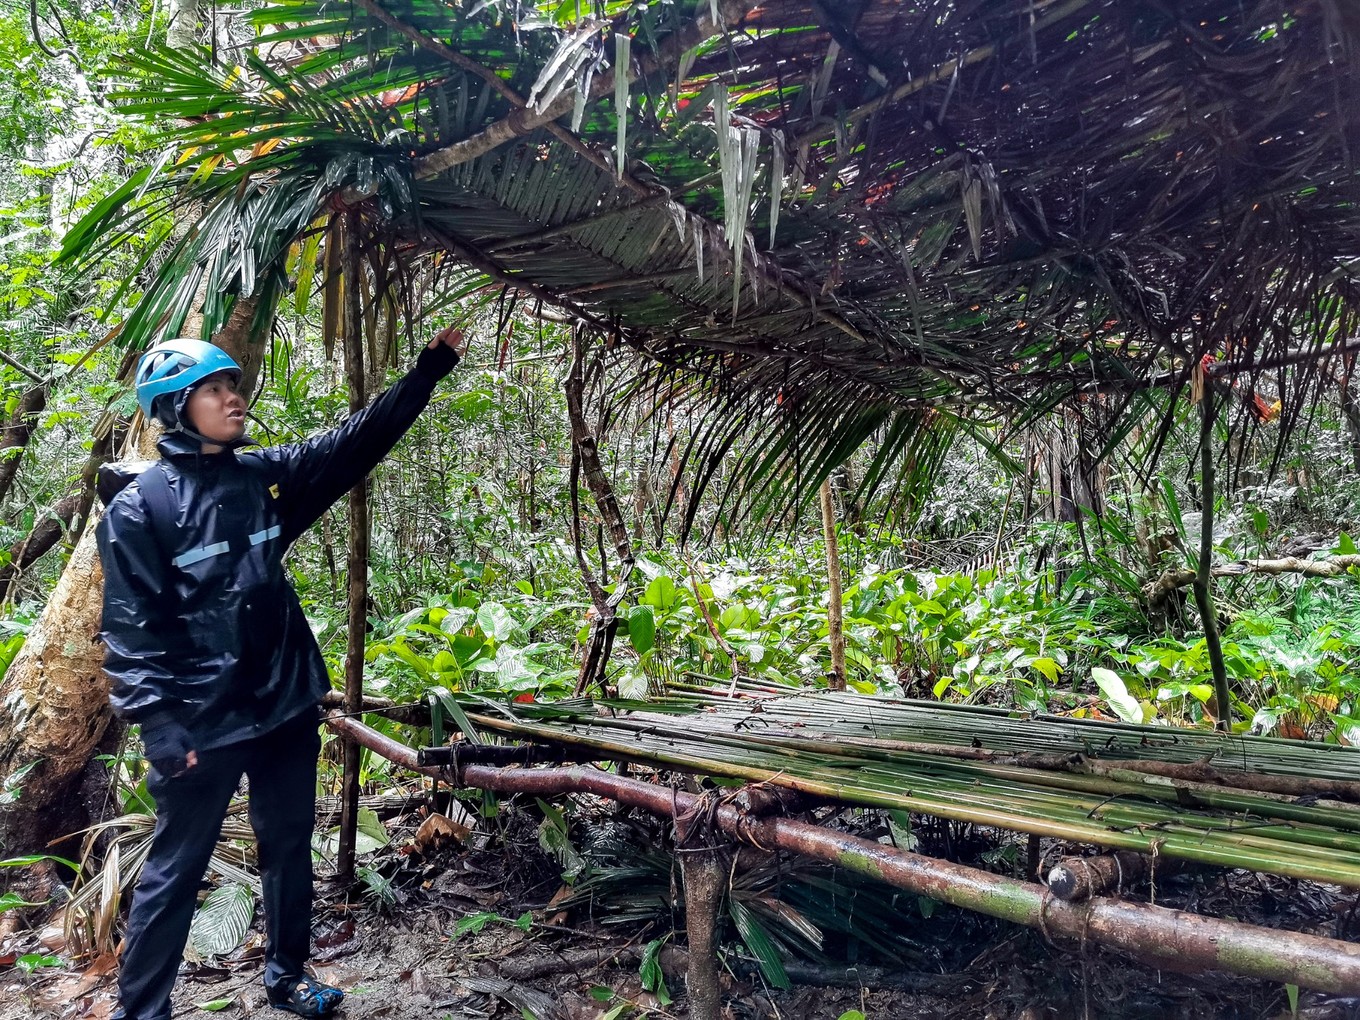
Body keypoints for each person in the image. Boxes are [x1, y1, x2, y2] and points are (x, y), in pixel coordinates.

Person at [96, 325, 468, 1020]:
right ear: (176, 408)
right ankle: (142, 1011)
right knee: (175, 873)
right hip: (201, 722)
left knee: (289, 849)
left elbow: (352, 444)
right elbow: (129, 625)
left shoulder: (260, 478)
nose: (235, 399)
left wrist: (428, 372)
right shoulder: (140, 508)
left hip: (285, 704)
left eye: (233, 386)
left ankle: (288, 977)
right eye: (214, 390)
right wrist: (160, 723)